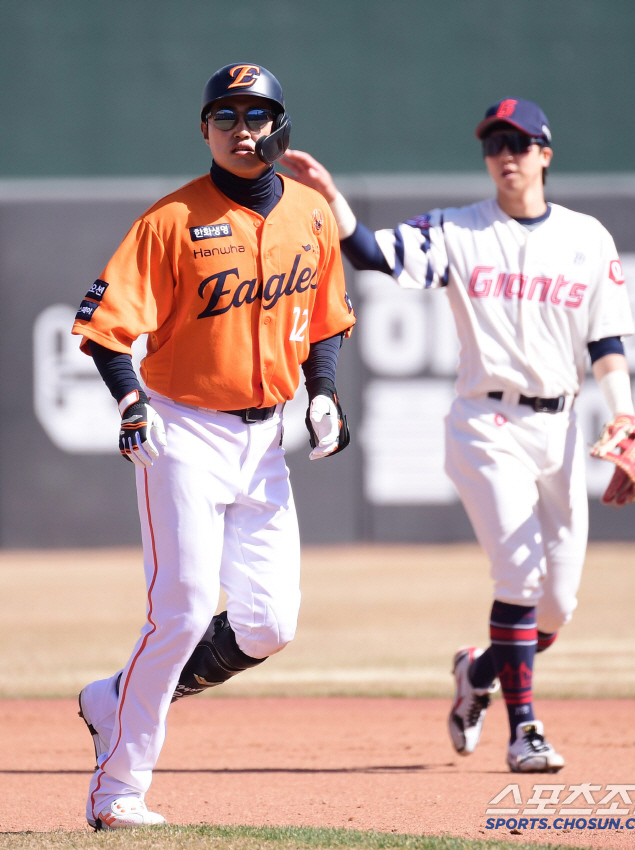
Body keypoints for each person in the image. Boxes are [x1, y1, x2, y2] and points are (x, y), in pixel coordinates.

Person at [281, 97, 635, 773]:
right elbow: (371, 254)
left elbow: (606, 341)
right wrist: (333, 199)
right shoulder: (460, 231)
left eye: (519, 142)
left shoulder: (588, 238)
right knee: (518, 572)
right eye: (495, 144)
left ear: (545, 153)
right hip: (486, 423)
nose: (506, 154)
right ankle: (526, 731)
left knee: (556, 608)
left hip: (563, 426)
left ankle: (477, 671)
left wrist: (623, 413)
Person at [72, 63, 355, 829]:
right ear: (204, 131)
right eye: (225, 117)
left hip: (265, 441)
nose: (242, 130)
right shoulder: (170, 220)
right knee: (184, 609)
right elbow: (105, 328)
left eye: (256, 115)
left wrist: (324, 392)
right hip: (185, 432)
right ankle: (118, 790)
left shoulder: (311, 214)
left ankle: (112, 697)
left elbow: (326, 316)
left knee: (269, 624)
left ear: (280, 125)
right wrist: (131, 398)